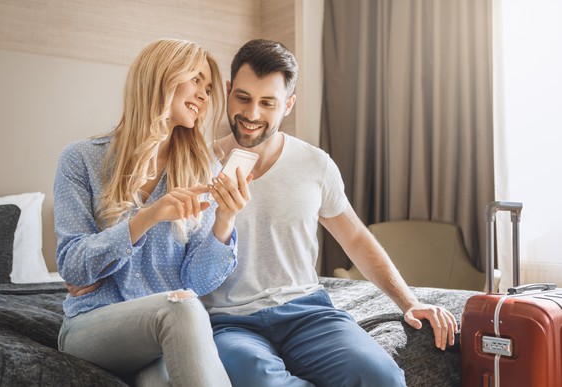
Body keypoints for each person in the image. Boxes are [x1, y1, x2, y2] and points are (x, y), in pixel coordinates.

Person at [199, 39, 459, 387]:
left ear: (288, 105)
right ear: (229, 92)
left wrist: (409, 302)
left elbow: (355, 237)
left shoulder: (314, 164)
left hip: (307, 312)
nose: (252, 114)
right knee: (261, 380)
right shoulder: (196, 165)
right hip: (231, 322)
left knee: (381, 377)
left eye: (268, 103)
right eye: (243, 98)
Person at [54, 38, 251, 386]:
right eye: (196, 80)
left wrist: (224, 222)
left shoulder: (203, 170)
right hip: (92, 325)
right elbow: (72, 265)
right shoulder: (81, 159)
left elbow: (197, 281)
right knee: (183, 307)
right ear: (160, 77)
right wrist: (148, 216)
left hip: (161, 335)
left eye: (208, 88)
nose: (205, 96)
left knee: (161, 375)